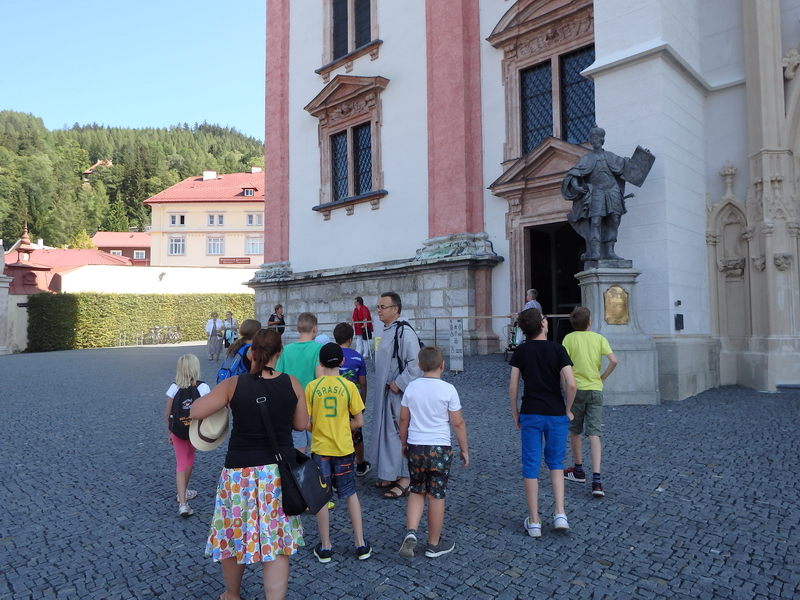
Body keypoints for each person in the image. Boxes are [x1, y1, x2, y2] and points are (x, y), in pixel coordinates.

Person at [189, 328, 308, 600]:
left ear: (251, 352)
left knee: (232, 535)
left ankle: (232, 594)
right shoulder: (293, 383)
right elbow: (301, 424)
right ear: (279, 354)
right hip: (278, 474)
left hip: (239, 472)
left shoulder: (233, 384)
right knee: (276, 544)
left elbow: (196, 411)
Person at [508, 308, 576, 537]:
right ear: (544, 325)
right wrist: (568, 409)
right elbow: (571, 384)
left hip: (531, 412)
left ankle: (535, 520)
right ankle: (560, 513)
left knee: (530, 465)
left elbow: (513, 386)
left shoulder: (521, 351)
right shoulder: (558, 349)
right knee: (556, 463)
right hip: (556, 413)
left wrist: (515, 412)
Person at [397, 346, 469, 559]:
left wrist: (404, 443)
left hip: (416, 447)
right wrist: (464, 449)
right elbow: (458, 423)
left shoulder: (411, 388)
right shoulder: (448, 390)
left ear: (419, 366)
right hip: (440, 449)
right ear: (442, 365)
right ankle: (433, 544)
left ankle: (411, 531)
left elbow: (403, 419)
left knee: (417, 490)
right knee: (436, 495)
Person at [305, 343, 371, 563]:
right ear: (342, 362)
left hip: (321, 449)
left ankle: (325, 547)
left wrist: (321, 427)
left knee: (322, 497)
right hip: (344, 448)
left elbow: (306, 421)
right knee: (350, 493)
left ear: (321, 364)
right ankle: (360, 543)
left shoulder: (312, 387)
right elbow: (359, 421)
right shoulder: (349, 387)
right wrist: (342, 426)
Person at [561, 307, 618, 497]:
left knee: (575, 430)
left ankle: (578, 470)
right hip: (595, 389)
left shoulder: (568, 339)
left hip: (576, 390)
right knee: (594, 434)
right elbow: (614, 361)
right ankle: (597, 480)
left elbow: (564, 366)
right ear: (589, 322)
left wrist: (565, 386)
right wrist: (602, 378)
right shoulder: (598, 338)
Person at [372, 292, 423, 499]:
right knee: (388, 433)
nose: (379, 311)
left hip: (397, 395)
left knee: (398, 434)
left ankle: (405, 478)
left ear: (396, 309)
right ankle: (391, 473)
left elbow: (416, 363)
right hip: (386, 394)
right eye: (378, 307)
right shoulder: (389, 330)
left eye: (383, 307)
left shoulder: (404, 331)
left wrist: (398, 384)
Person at [561, 126, 629, 261]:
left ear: (602, 140)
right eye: (593, 138)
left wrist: (642, 158)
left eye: (598, 138)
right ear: (591, 141)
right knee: (596, 221)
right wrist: (576, 186)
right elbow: (574, 173)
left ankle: (610, 251)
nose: (596, 140)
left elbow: (627, 165)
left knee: (614, 220)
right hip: (596, 192)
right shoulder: (586, 158)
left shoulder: (610, 156)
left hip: (612, 190)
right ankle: (596, 251)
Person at [165, 354, 210, 518]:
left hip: (178, 429)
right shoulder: (203, 387)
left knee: (180, 463)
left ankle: (183, 501)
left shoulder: (174, 387)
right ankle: (183, 494)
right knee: (190, 459)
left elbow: (168, 413)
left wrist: (171, 431)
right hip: (195, 430)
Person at [276, 312, 322, 453]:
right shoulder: (318, 349)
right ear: (315, 328)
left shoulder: (285, 350)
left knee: (297, 445)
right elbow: (320, 378)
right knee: (317, 442)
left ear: (297, 329)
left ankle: (297, 473)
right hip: (312, 404)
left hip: (291, 403)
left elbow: (278, 377)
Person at [333, 322, 370, 476]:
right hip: (351, 402)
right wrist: (362, 401)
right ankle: (360, 465)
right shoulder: (358, 357)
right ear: (351, 338)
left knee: (334, 433)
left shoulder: (331, 355)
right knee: (356, 434)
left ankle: (335, 469)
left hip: (334, 402)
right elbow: (363, 382)